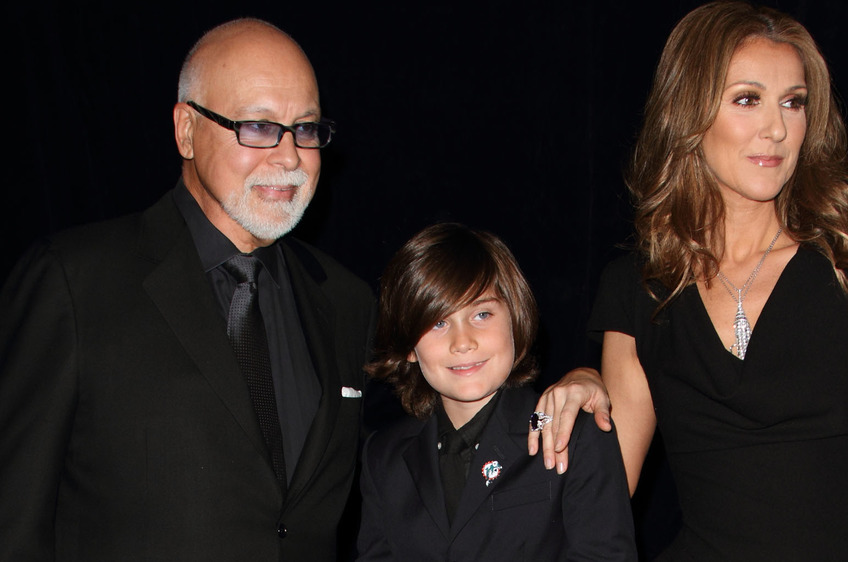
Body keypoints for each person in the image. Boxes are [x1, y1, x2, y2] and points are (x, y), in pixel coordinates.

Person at [530, 2, 848, 560]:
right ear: (689, 113)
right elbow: (608, 500)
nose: (778, 128)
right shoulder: (641, 287)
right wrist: (588, 381)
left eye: (793, 102)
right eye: (747, 99)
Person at [0, 18, 373, 561]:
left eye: (306, 129)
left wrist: (542, 413)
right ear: (186, 131)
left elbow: (427, 453)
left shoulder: (347, 301)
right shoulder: (73, 283)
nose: (290, 156)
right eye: (258, 126)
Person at [356, 223, 637, 561]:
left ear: (514, 319)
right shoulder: (382, 457)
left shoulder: (572, 434)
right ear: (409, 347)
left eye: (482, 314)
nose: (463, 342)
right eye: (438, 323)